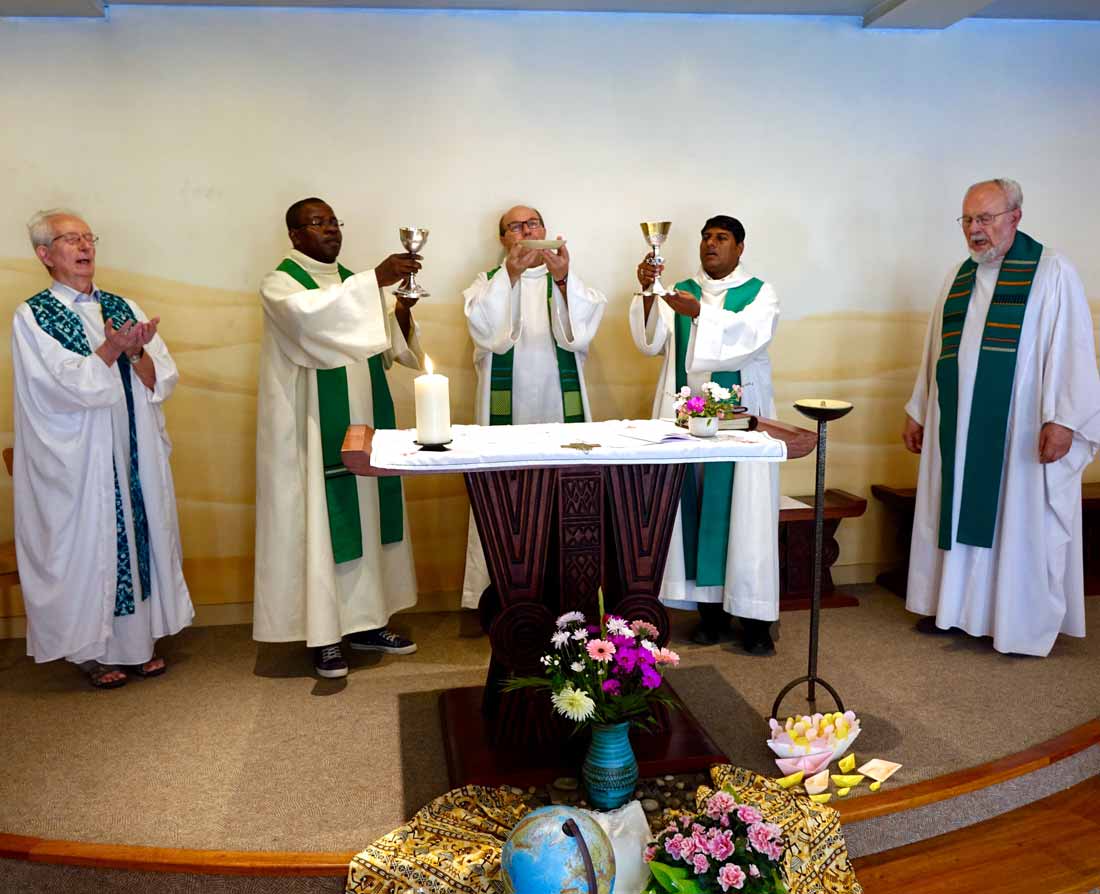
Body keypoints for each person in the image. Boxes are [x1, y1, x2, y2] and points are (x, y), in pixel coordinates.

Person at [902, 178, 1100, 657]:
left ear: (1015, 217)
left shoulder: (1051, 272)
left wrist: (1065, 420)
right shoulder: (957, 276)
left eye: (986, 218)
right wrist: (920, 409)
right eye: (968, 219)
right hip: (958, 429)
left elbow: (1072, 348)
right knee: (954, 509)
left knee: (1015, 516)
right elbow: (937, 353)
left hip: (1021, 432)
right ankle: (955, 610)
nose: (975, 229)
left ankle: (1013, 620)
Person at [11, 209, 193, 688]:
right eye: (70, 239)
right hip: (81, 457)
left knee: (137, 527)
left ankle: (138, 645)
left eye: (88, 237)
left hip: (132, 449)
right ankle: (89, 651)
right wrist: (112, 349)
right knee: (91, 540)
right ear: (44, 254)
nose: (85, 246)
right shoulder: (33, 316)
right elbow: (55, 387)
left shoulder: (122, 304)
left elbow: (162, 379)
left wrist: (135, 351)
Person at [254, 197, 424, 679]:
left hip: (365, 421)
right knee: (323, 523)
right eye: (317, 222)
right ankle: (325, 636)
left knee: (370, 516)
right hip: (312, 429)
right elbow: (312, 320)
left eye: (333, 221)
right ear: (294, 234)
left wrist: (402, 312)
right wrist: (376, 280)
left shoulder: (354, 282)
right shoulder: (281, 282)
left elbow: (389, 347)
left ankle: (369, 622)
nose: (329, 229)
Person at [630, 215, 780, 654]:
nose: (711, 244)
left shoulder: (760, 292)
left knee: (745, 512)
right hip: (685, 424)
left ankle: (753, 620)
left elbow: (754, 337)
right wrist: (645, 294)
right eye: (706, 238)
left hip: (741, 420)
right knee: (690, 505)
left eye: (722, 238)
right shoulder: (680, 290)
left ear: (740, 247)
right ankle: (709, 614)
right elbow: (649, 342)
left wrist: (702, 316)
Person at [460, 205, 607, 609]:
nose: (526, 231)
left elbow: (581, 332)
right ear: (504, 239)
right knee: (504, 494)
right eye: (515, 227)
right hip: (505, 412)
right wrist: (509, 275)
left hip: (560, 407)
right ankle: (498, 596)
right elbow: (488, 333)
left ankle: (568, 591)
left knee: (565, 489)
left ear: (546, 230)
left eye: (533, 224)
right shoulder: (487, 282)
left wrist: (562, 279)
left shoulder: (566, 281)